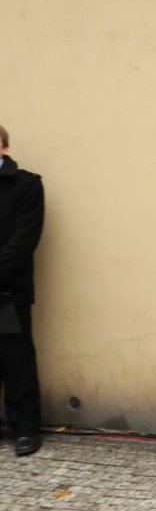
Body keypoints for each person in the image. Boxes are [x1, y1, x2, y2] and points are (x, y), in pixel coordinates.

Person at [0, 124, 45, 458]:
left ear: (3, 146)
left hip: (7, 293)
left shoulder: (26, 185)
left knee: (17, 361)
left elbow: (23, 241)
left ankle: (25, 430)